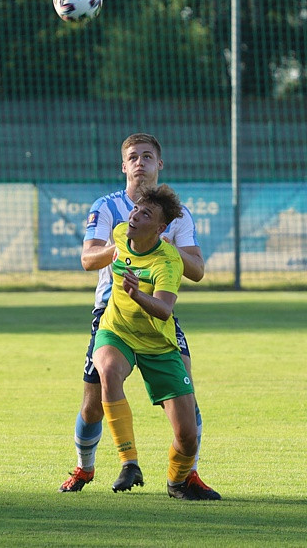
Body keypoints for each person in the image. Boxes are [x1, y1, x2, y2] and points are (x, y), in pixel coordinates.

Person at [59, 133, 219, 497]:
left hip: (157, 312)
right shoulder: (108, 208)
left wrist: (159, 248)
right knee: (93, 405)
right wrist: (122, 249)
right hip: (111, 310)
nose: (140, 162)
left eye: (148, 156)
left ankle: (186, 474)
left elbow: (197, 268)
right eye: (133, 157)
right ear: (124, 166)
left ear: (159, 164)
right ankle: (84, 468)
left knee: (187, 395)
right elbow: (87, 259)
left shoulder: (174, 215)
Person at [92, 184, 220, 500]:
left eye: (144, 214)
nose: (134, 216)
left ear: (161, 229)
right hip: (117, 331)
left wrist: (138, 294)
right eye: (135, 209)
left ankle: (177, 483)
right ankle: (129, 463)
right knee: (107, 370)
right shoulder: (121, 233)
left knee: (187, 436)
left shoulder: (168, 262)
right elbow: (95, 257)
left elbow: (164, 310)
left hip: (158, 345)